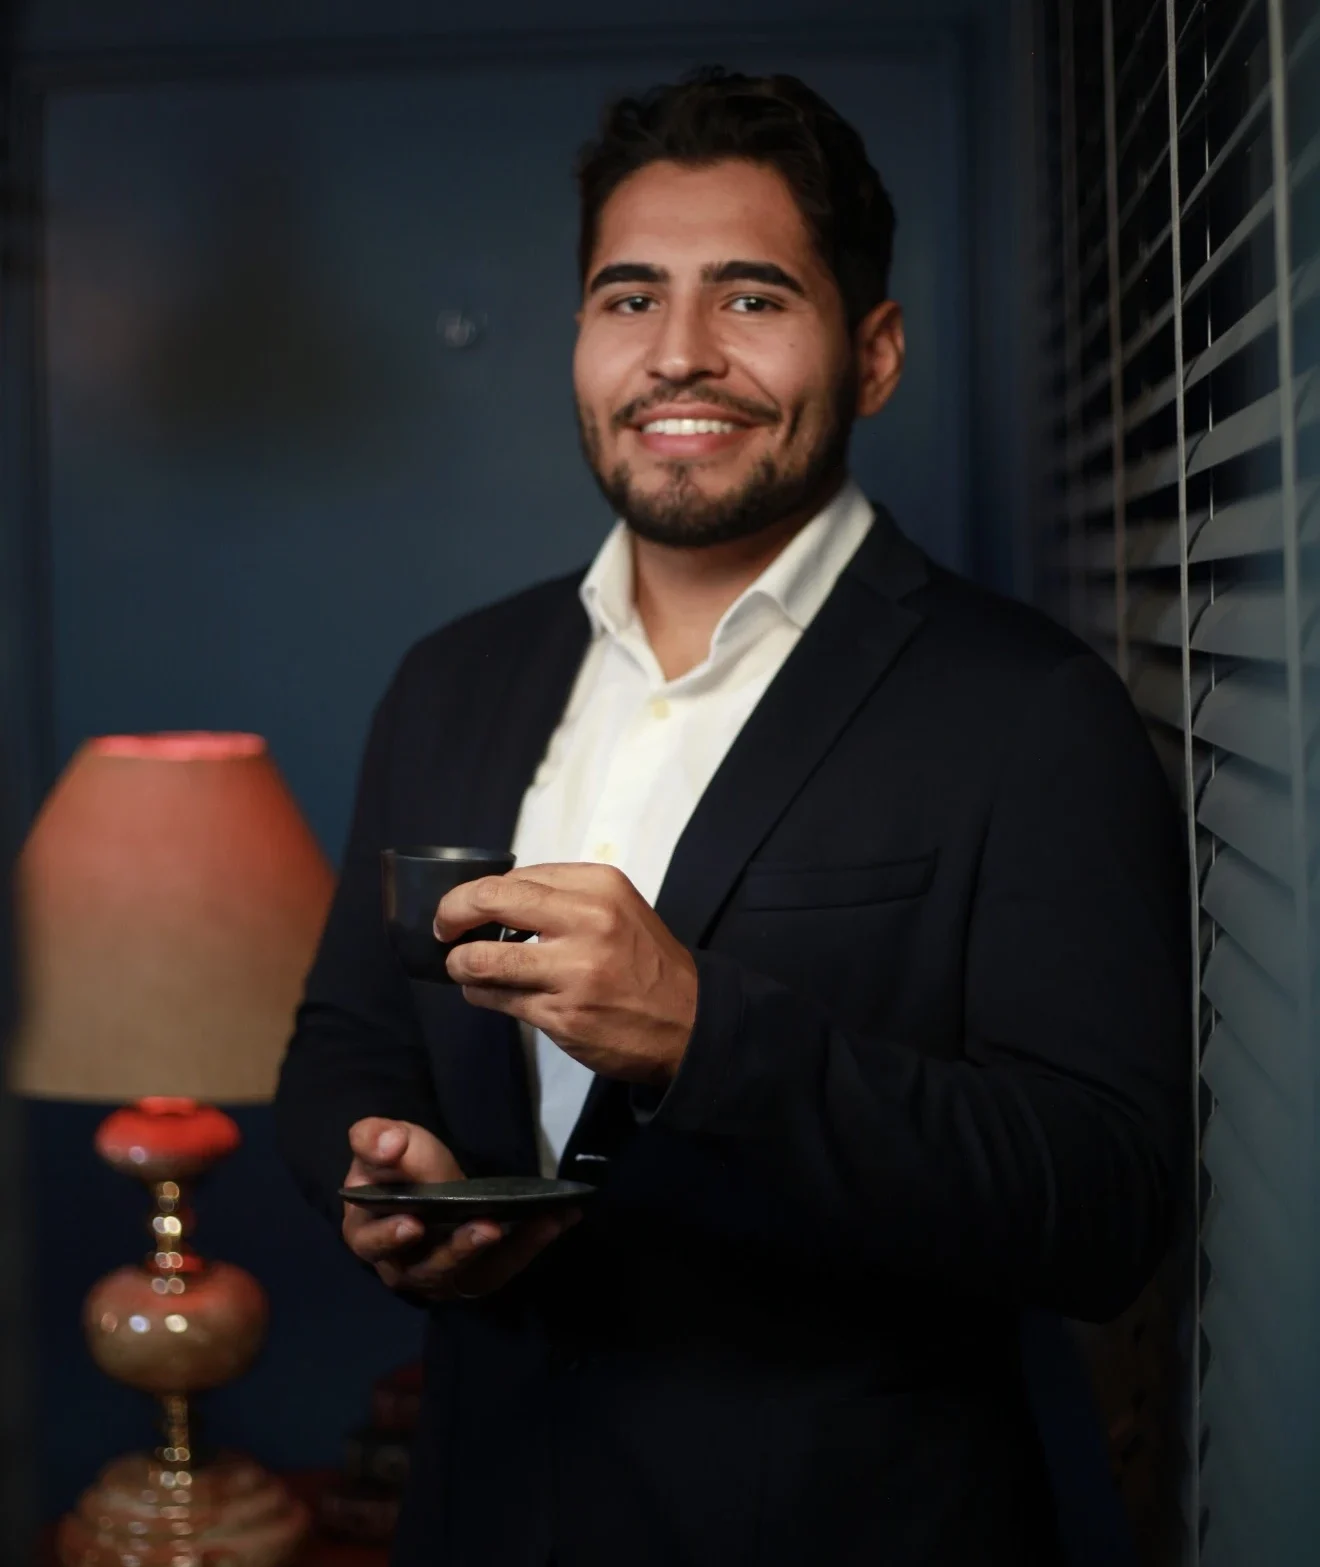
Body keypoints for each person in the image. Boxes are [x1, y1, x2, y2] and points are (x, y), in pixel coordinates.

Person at [275, 66, 1189, 1567]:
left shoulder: (1028, 709)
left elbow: (1101, 1202)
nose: (678, 356)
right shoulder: (449, 683)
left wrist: (709, 1033)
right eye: (629, 299)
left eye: (752, 298)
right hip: (484, 1516)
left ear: (876, 352)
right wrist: (373, 1173)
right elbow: (345, 1035)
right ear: (578, 338)